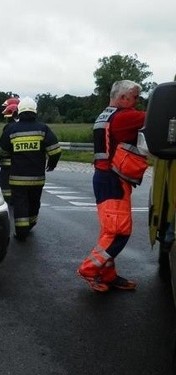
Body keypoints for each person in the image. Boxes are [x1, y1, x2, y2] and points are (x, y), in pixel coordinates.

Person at [77, 80, 145, 292]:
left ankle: (107, 274)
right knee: (118, 233)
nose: (137, 103)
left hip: (107, 178)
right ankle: (89, 269)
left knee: (110, 231)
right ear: (123, 98)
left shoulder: (106, 115)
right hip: (112, 181)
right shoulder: (124, 116)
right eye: (135, 97)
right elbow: (158, 117)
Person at [0, 96, 61, 242]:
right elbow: (55, 151)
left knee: (20, 205)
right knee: (34, 202)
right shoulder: (43, 129)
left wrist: (8, 165)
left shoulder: (11, 129)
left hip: (17, 179)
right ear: (35, 112)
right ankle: (31, 223)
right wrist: (51, 164)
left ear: (19, 112)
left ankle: (21, 232)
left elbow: (3, 152)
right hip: (37, 178)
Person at [0, 102, 20, 204]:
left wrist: (0, 154)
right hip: (20, 166)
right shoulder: (22, 127)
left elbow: (3, 147)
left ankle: (7, 204)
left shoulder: (8, 128)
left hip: (7, 167)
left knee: (5, 187)